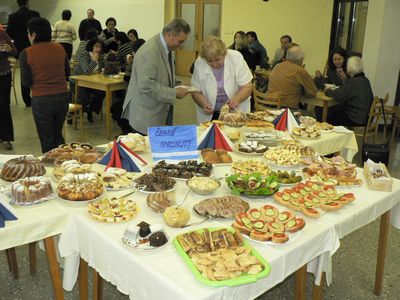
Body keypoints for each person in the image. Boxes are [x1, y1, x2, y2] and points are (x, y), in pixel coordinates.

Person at [121, 18, 191, 135]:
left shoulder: (167, 47)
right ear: (169, 35)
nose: (181, 46)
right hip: (145, 116)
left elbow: (164, 73)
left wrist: (178, 83)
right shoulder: (149, 52)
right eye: (180, 41)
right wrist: (174, 93)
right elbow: (146, 86)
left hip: (158, 112)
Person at [19, 17, 70, 153]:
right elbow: (67, 73)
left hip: (41, 99)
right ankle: (64, 164)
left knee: (47, 139)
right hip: (62, 97)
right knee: (58, 134)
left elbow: (26, 82)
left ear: (34, 34)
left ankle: (51, 168)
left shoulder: (26, 53)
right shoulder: (60, 48)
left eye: (28, 33)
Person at [191, 36, 253, 122]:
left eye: (217, 60)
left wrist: (236, 99)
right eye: (210, 61)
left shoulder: (236, 58)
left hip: (236, 111)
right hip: (211, 113)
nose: (214, 64)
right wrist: (203, 104)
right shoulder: (200, 62)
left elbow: (247, 86)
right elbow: (195, 91)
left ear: (224, 54)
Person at [321, 56, 373, 126]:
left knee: (327, 117)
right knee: (336, 112)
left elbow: (338, 95)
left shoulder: (353, 82)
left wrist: (327, 90)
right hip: (364, 117)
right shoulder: (365, 80)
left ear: (350, 68)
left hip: (354, 118)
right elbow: (349, 91)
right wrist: (345, 80)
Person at [6, 0, 40, 107]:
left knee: (24, 74)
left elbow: (9, 33)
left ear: (18, 3)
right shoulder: (35, 15)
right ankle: (37, 95)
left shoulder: (13, 16)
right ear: (28, 2)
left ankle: (27, 100)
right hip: (35, 47)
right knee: (37, 72)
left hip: (20, 49)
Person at [71, 38, 106, 122]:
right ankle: (73, 112)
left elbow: (105, 67)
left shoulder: (100, 56)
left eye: (100, 47)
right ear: (91, 46)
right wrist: (94, 61)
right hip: (77, 82)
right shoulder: (84, 55)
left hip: (92, 82)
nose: (98, 49)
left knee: (102, 92)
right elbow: (86, 72)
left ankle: (89, 109)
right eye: (96, 46)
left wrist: (106, 68)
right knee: (85, 99)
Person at [0, 28, 17, 150]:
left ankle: (6, 138)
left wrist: (9, 49)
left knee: (4, 104)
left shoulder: (2, 33)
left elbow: (15, 51)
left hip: (3, 74)